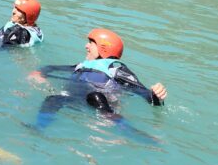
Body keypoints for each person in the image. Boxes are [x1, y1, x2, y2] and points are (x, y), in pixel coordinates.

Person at [31, 28, 167, 131]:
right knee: (53, 99)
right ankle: (39, 128)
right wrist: (40, 72)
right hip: (76, 101)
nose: (86, 46)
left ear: (104, 48)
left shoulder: (115, 69)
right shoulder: (81, 66)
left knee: (95, 96)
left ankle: (119, 124)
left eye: (91, 43)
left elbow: (141, 91)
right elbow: (52, 68)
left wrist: (155, 95)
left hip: (101, 104)